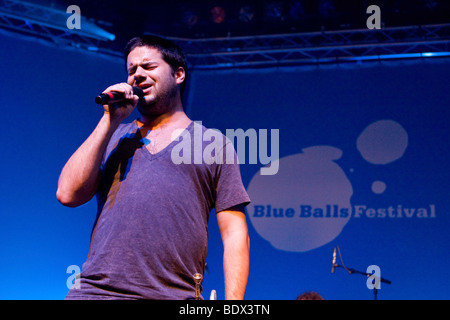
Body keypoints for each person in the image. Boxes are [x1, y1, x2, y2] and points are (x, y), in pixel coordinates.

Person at [57, 35, 251, 300]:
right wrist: (109, 120)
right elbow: (68, 194)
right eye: (131, 70)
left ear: (179, 74)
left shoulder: (213, 144)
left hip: (172, 295)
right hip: (95, 292)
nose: (137, 75)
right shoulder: (115, 134)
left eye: (148, 67)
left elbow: (234, 233)